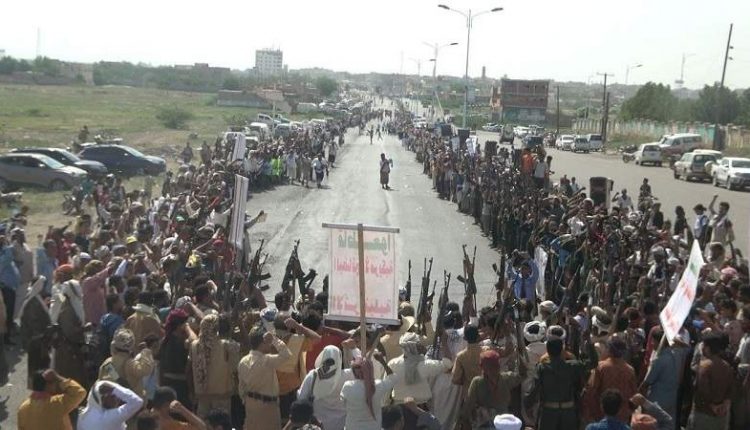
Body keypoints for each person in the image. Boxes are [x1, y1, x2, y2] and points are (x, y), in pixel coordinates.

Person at [238, 326, 292, 430]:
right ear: (262, 343)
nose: (270, 345)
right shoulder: (267, 360)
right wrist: (275, 339)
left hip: (251, 404)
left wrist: (247, 402)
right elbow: (286, 355)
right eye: (268, 342)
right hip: (268, 405)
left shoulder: (243, 361)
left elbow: (241, 387)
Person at [189, 314, 240, 416]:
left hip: (202, 397)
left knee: (202, 423)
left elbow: (189, 369)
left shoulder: (194, 345)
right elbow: (235, 368)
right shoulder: (227, 345)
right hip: (222, 398)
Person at [298, 344, 355, 430]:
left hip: (318, 424)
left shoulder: (313, 375)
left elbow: (301, 397)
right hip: (342, 424)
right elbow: (364, 367)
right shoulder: (347, 375)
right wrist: (353, 348)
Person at [465, 349, 524, 428]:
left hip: (485, 424)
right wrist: (521, 355)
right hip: (503, 424)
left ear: (482, 367)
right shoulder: (507, 378)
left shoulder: (477, 382)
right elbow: (523, 375)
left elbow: (469, 406)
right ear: (498, 365)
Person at [341, 351, 400, 430]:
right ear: (371, 370)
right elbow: (393, 378)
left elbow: (343, 404)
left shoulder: (348, 386)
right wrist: (382, 362)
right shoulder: (378, 385)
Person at [584, 338, 638, 424]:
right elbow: (634, 394)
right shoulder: (630, 370)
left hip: (603, 415)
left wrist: (589, 413)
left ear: (610, 350)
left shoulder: (601, 367)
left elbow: (591, 390)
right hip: (622, 416)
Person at [687, 332, 733, 429]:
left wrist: (712, 406)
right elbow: (730, 390)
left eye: (703, 346)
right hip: (721, 416)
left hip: (704, 415)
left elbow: (702, 391)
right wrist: (724, 405)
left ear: (707, 348)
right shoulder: (727, 366)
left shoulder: (704, 366)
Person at [17, 369, 87, 430]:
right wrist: (58, 378)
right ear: (48, 385)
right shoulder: (58, 403)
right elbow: (80, 392)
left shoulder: (23, 408)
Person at [98, 328, 155, 399]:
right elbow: (146, 369)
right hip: (130, 403)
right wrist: (145, 351)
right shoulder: (130, 363)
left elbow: (100, 380)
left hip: (108, 402)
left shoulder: (108, 363)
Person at [78, 380, 144, 430]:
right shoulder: (109, 417)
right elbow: (137, 402)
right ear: (102, 399)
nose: (117, 398)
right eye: (112, 396)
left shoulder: (82, 415)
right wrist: (115, 389)